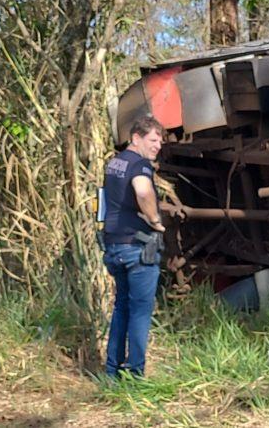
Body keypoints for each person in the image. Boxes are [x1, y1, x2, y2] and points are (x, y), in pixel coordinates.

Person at [101, 116, 165, 378]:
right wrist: (155, 220)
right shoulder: (140, 165)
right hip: (137, 247)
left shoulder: (114, 162)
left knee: (121, 308)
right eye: (153, 139)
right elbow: (142, 191)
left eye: (160, 140)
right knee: (140, 311)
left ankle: (112, 371)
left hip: (113, 245)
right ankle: (135, 374)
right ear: (136, 138)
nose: (158, 145)